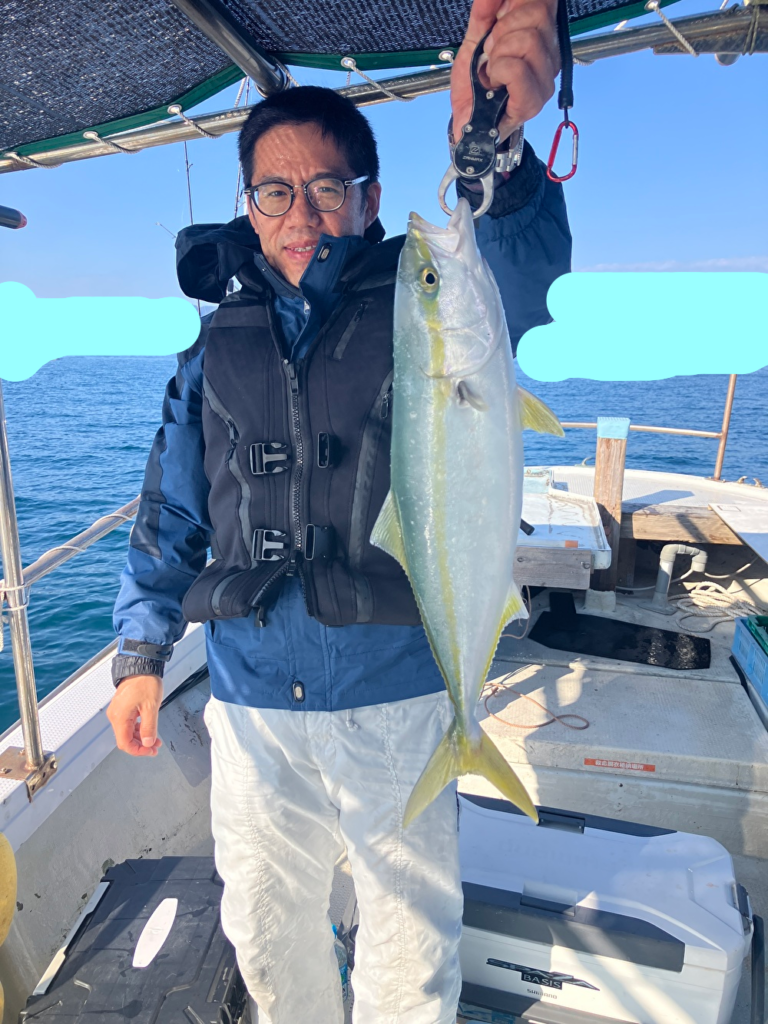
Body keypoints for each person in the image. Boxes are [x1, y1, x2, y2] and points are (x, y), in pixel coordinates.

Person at [106, 0, 571, 1019]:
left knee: (410, 945)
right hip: (251, 704)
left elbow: (520, 258)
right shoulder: (212, 346)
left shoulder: (426, 296)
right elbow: (171, 511)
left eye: (326, 188)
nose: (301, 215)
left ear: (369, 200)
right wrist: (141, 652)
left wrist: (497, 148)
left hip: (396, 692)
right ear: (249, 205)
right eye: (276, 192)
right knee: (267, 935)